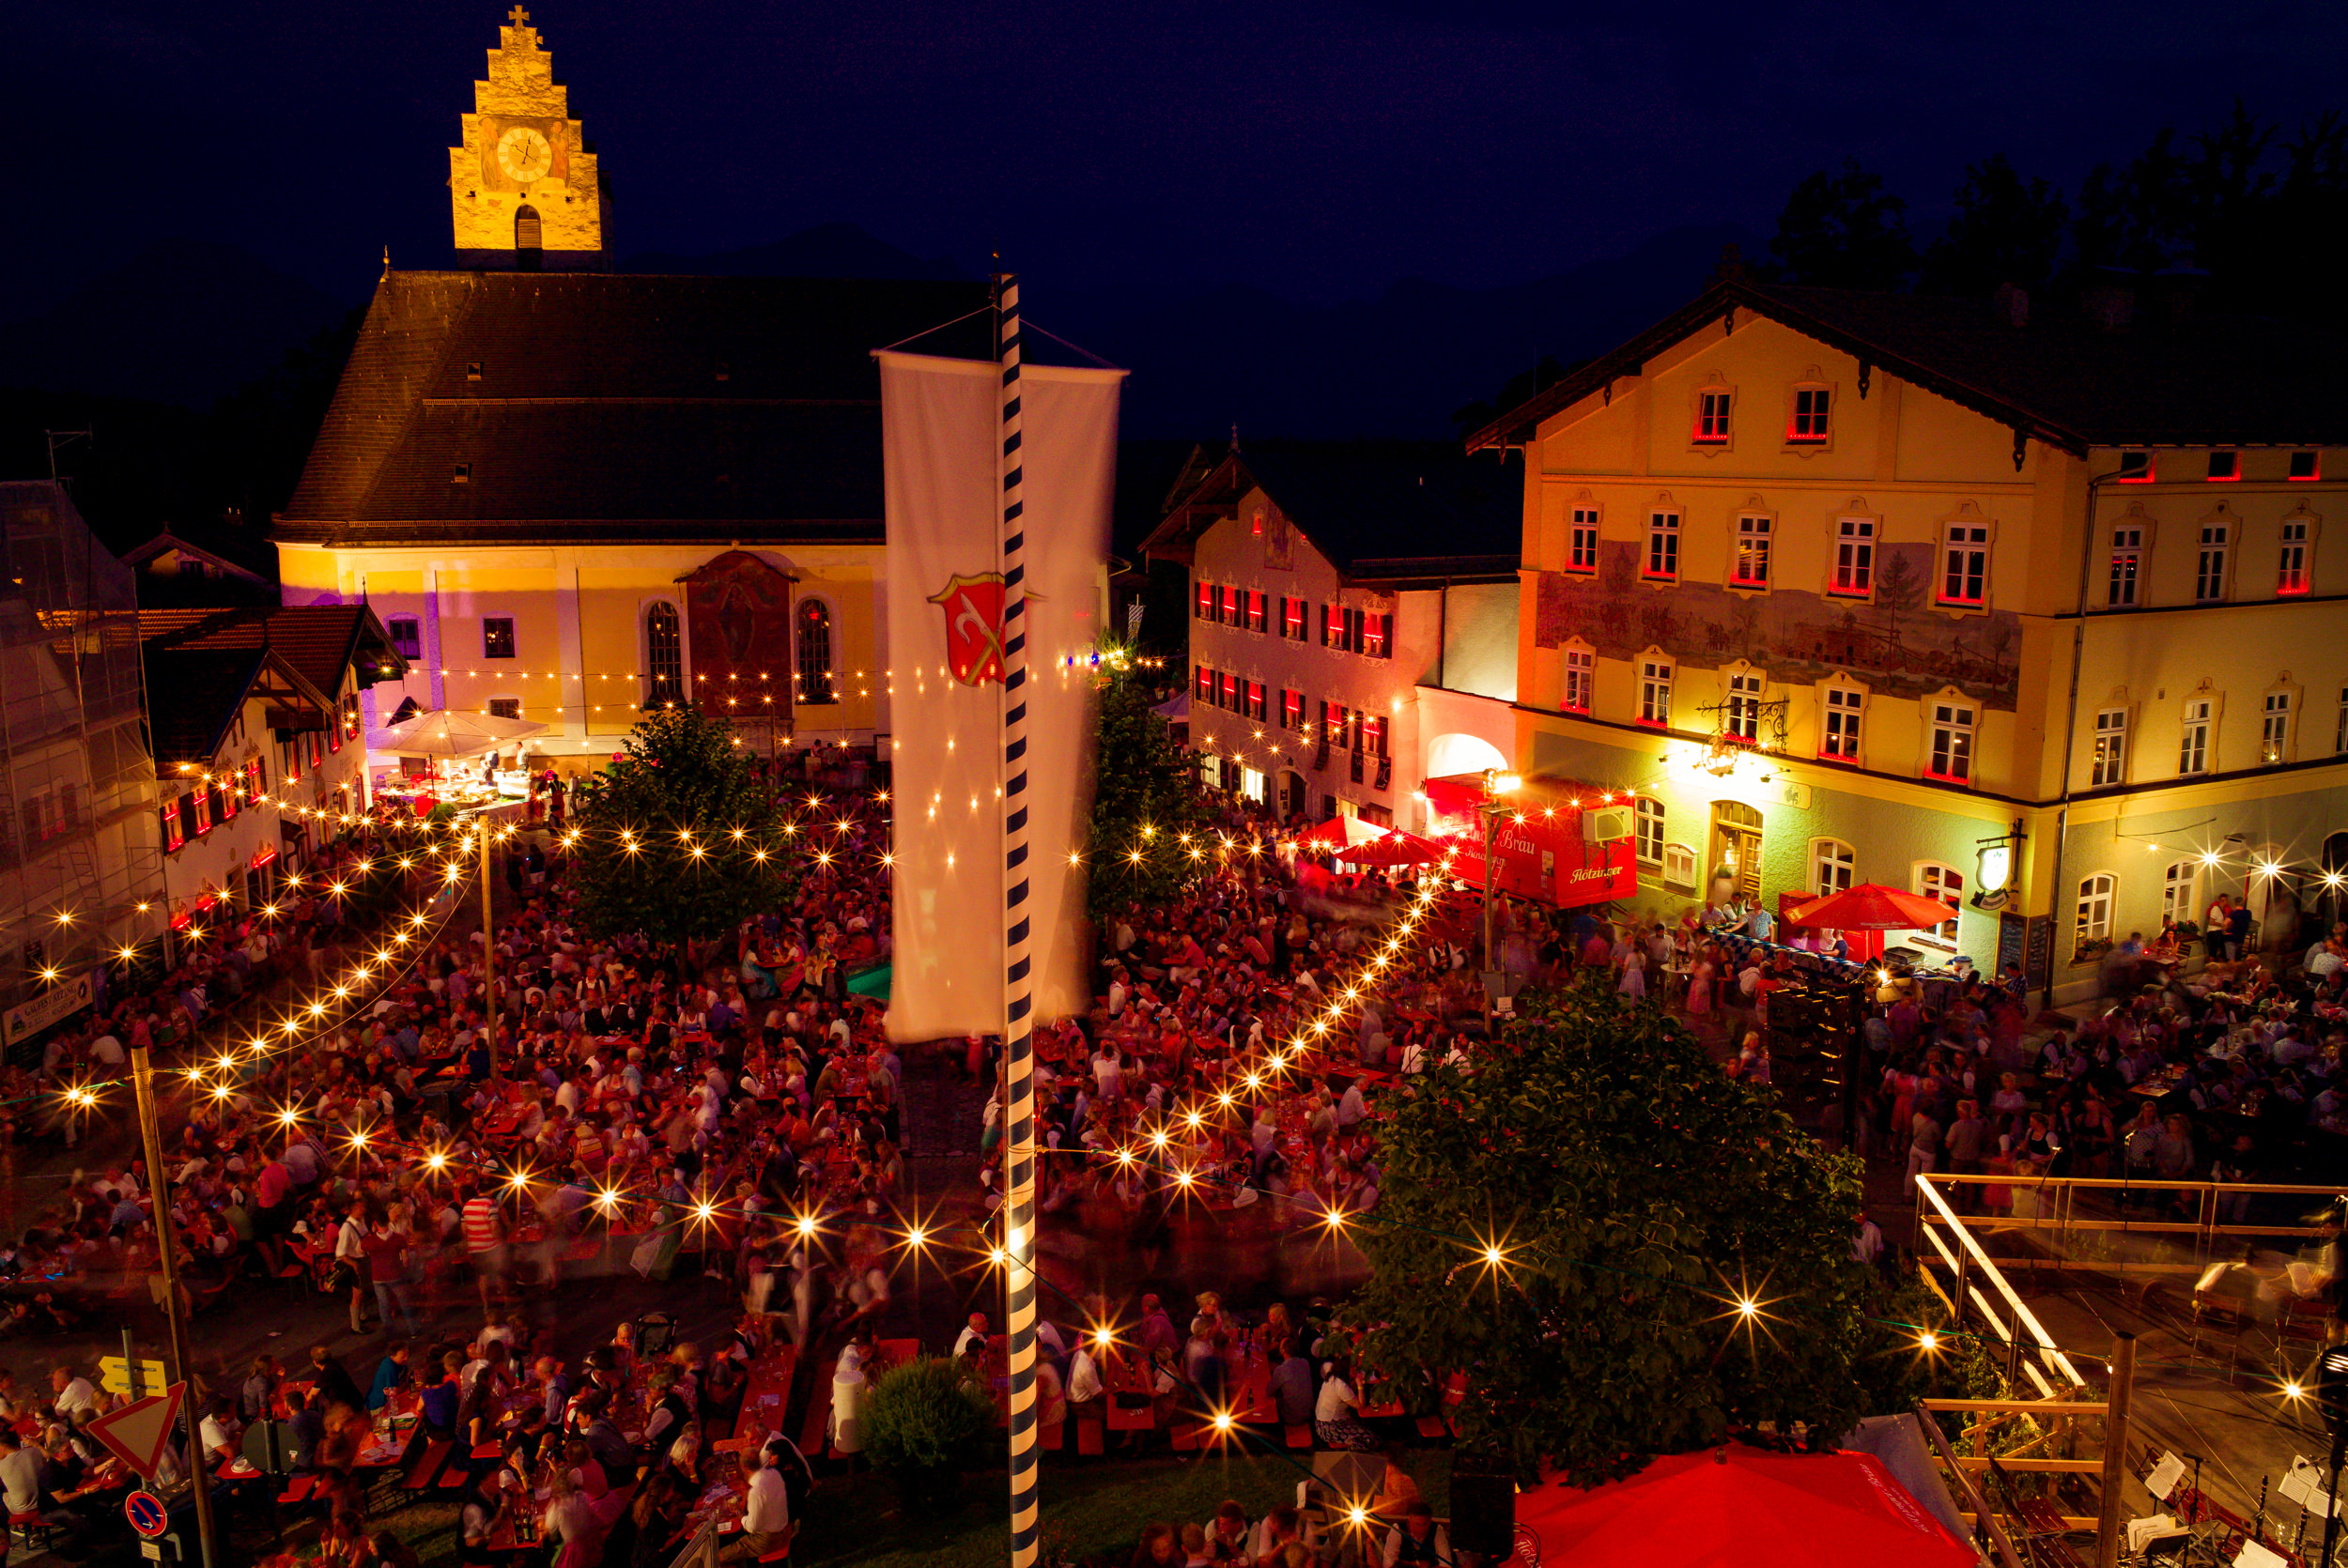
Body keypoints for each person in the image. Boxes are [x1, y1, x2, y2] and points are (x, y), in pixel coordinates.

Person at [721, 1438, 796, 1562]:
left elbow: (751, 1527)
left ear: (745, 1469)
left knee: (717, 1556)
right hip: (781, 1527)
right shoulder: (773, 1475)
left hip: (768, 1539)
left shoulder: (757, 1492)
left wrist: (738, 1512)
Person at [1382, 1501, 1449, 1568]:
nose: (1421, 1529)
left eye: (1425, 1524)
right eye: (1417, 1524)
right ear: (1409, 1519)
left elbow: (1446, 1564)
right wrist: (1415, 1564)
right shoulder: (1398, 1530)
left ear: (1430, 1521)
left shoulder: (1437, 1530)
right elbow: (1389, 1564)